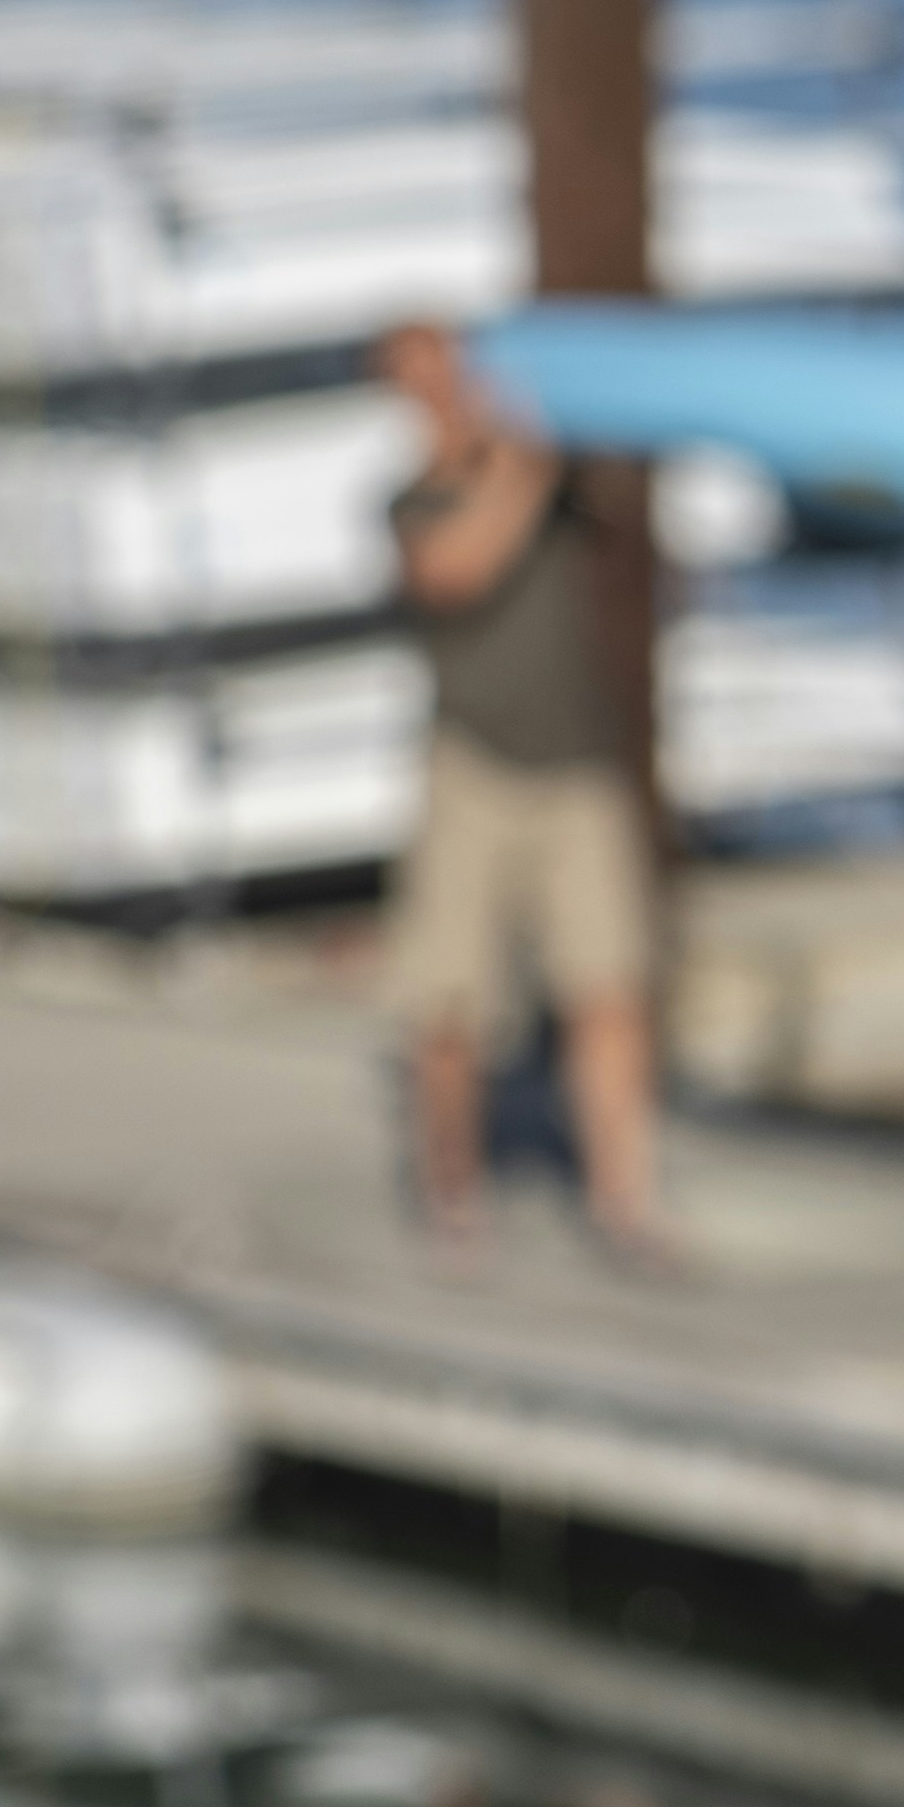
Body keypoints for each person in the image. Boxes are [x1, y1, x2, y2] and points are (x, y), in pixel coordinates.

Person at [377, 319, 680, 1274]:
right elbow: (456, 572)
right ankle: (454, 1197)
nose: (452, 395)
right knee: (451, 1002)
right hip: (474, 766)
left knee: (610, 986)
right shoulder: (417, 500)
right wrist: (520, 468)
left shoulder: (565, 483)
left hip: (578, 764)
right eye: (426, 380)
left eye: (457, 372)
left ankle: (625, 1202)